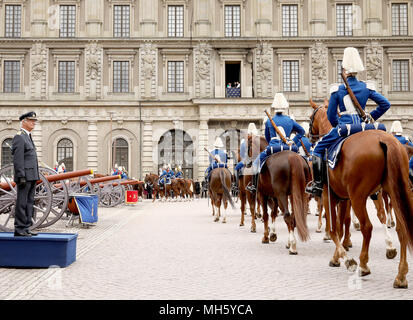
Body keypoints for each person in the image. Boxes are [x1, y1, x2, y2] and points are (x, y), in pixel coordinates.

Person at [305, 47, 391, 197]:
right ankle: (375, 185)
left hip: (344, 127)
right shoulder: (366, 87)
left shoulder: (337, 90)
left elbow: (331, 117)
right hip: (364, 127)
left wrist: (340, 122)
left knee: (318, 149)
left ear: (344, 68)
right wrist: (370, 117)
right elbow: (385, 104)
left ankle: (318, 185)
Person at [246, 93, 305, 193]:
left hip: (274, 148)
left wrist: (273, 143)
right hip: (288, 147)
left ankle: (254, 186)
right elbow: (302, 132)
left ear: (274, 108)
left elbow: (268, 138)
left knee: (256, 162)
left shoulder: (269, 121)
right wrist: (292, 141)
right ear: (284, 107)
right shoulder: (290, 120)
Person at [11, 111, 39, 237]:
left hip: (32, 175)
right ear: (24, 121)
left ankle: (27, 227)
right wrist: (21, 175)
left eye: (34, 121)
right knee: (22, 202)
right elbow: (18, 159)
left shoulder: (28, 136)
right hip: (25, 176)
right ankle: (19, 228)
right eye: (31, 120)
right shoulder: (19, 137)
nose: (34, 123)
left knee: (29, 202)